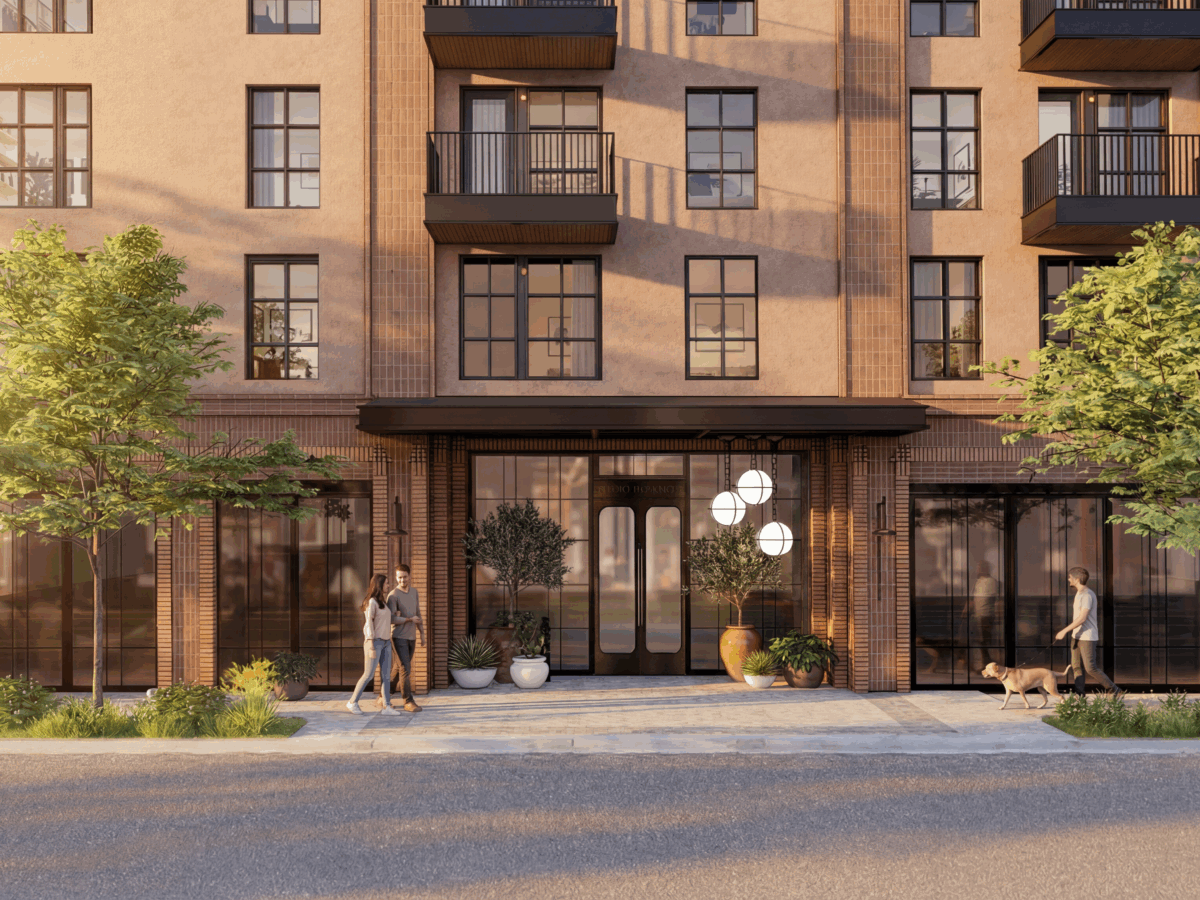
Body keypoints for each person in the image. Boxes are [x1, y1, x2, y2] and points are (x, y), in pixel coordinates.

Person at [1055, 566, 1120, 696]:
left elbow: (1082, 618)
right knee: (1076, 667)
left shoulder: (1087, 595)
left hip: (1087, 637)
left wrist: (1064, 631)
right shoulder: (1079, 593)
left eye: (1070, 577)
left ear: (1077, 579)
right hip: (1077, 636)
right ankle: (1080, 696)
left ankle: (1114, 689)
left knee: (1090, 668)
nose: (1068, 579)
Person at [346, 574, 399, 715]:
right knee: (368, 674)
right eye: (387, 583)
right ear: (379, 585)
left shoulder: (383, 603)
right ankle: (352, 702)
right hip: (374, 642)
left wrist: (397, 616)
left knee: (386, 675)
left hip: (386, 642)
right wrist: (371, 646)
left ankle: (386, 706)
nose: (388, 585)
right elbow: (368, 624)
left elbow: (385, 621)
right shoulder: (372, 602)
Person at [386, 563, 426, 713]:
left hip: (411, 637)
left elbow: (418, 614)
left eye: (404, 577)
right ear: (396, 578)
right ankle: (408, 701)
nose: (402, 580)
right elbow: (391, 619)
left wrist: (421, 633)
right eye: (399, 578)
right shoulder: (393, 595)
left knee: (399, 667)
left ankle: (385, 695)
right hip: (398, 636)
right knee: (405, 669)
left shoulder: (414, 592)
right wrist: (409, 619)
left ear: (410, 576)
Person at [963, 559, 1000, 668]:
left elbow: (996, 599)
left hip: (986, 615)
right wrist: (966, 609)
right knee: (979, 641)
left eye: (979, 567)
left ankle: (988, 664)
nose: (977, 569)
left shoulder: (992, 582)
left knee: (985, 641)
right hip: (977, 616)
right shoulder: (977, 581)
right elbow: (973, 598)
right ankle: (981, 664)